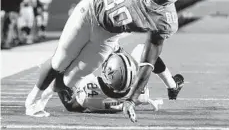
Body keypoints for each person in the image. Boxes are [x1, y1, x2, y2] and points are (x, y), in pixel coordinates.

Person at [25, 0, 186, 122]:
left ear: (172, 0)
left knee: (69, 80)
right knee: (60, 61)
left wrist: (132, 99)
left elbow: (148, 62)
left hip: (108, 37)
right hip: (90, 12)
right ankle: (33, 101)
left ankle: (44, 96)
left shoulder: (165, 20)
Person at [31, 44, 168, 117]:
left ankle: (46, 90)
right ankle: (171, 84)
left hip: (92, 98)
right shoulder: (141, 95)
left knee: (63, 64)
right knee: (145, 51)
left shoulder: (88, 87)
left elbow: (70, 105)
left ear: (108, 72)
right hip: (123, 100)